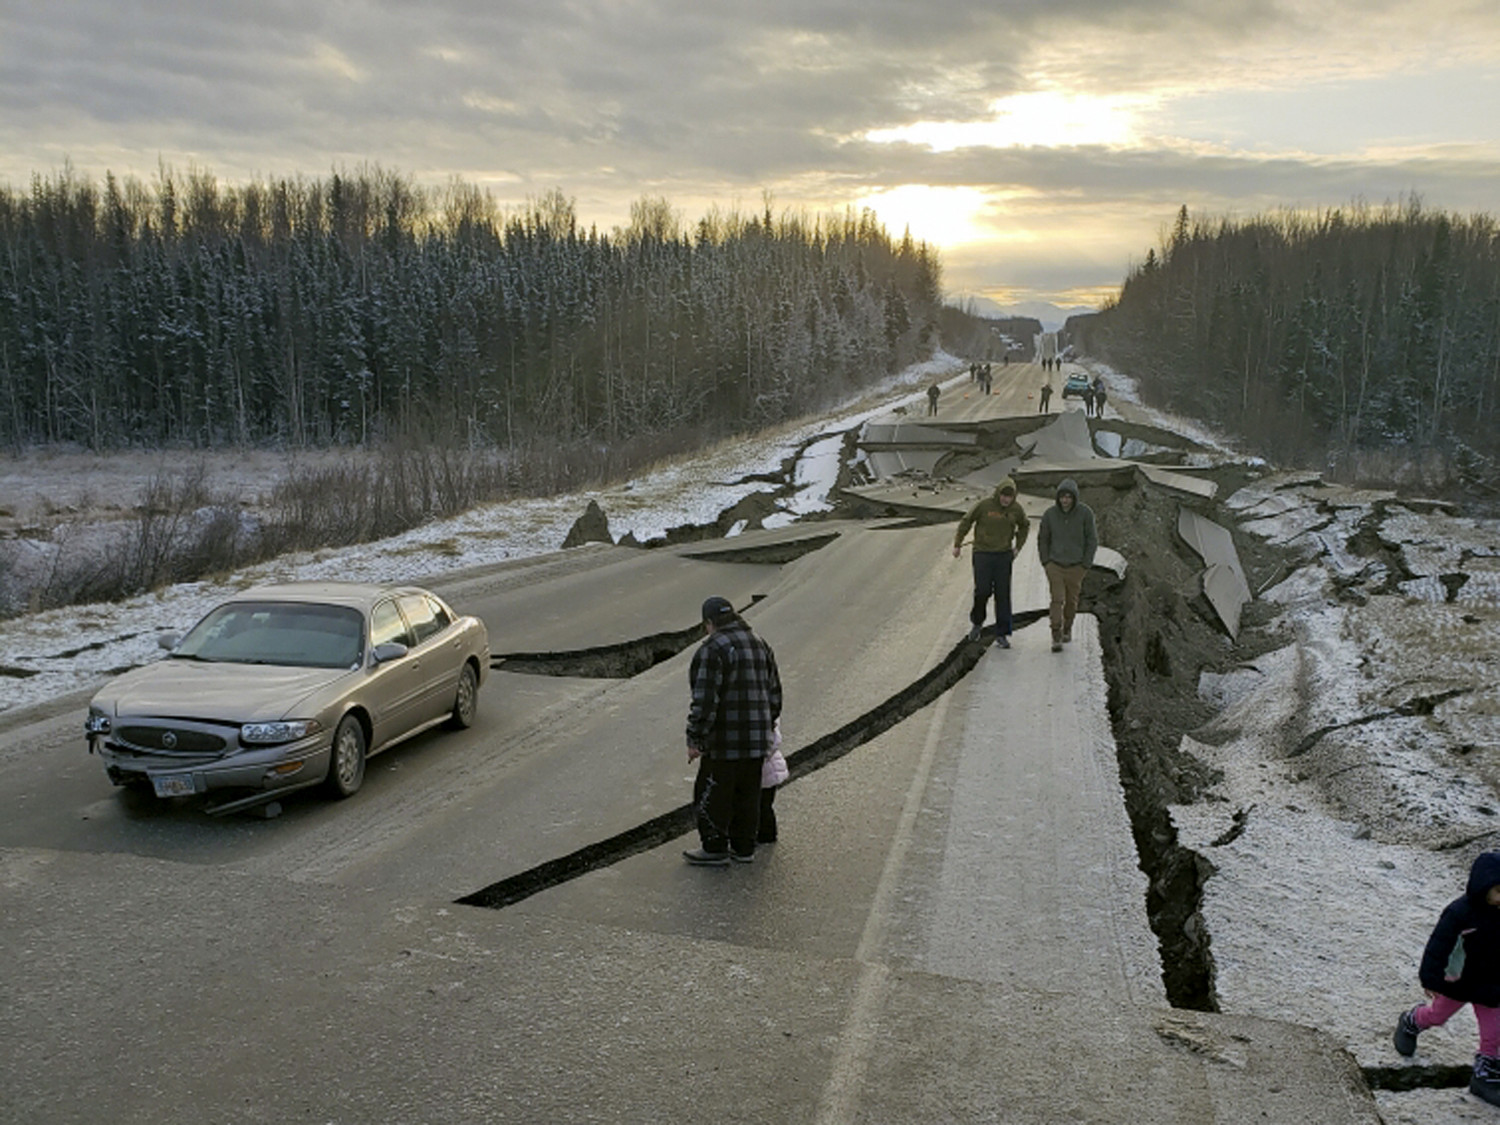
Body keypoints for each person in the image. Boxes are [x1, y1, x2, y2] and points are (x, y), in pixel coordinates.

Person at [1394, 852, 1500, 1106]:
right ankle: (1412, 1021)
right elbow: (1438, 945)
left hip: (1492, 985)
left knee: (1494, 1031)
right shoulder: (1459, 912)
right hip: (1459, 980)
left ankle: (1484, 1076)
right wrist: (1430, 977)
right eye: (1498, 890)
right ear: (1482, 886)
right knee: (1437, 1016)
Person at [684, 596, 782, 866]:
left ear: (709, 623)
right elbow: (775, 695)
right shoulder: (761, 644)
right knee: (748, 795)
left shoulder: (713, 648)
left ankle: (714, 848)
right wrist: (767, 727)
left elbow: (704, 700)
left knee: (711, 793)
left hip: (724, 741)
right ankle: (743, 848)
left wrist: (695, 738)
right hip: (757, 740)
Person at [952, 476, 1029, 648]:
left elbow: (1024, 526)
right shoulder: (984, 506)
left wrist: (1018, 547)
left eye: (1009, 496)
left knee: (1003, 595)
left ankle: (1002, 633)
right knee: (983, 591)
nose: (1005, 499)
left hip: (1003, 556)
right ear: (998, 493)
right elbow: (967, 521)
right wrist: (957, 544)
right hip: (982, 554)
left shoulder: (1016, 509)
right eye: (1003, 495)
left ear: (1014, 497)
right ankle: (977, 623)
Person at [1036, 479, 1097, 652]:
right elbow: (1043, 539)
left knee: (1071, 601)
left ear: (1074, 498)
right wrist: (1046, 561)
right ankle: (1056, 634)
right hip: (1055, 565)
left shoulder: (1085, 514)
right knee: (1057, 599)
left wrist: (1085, 564)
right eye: (1062, 497)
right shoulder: (1050, 515)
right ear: (1058, 497)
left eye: (1069, 497)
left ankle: (1067, 628)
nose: (1065, 500)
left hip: (1076, 566)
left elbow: (1092, 540)